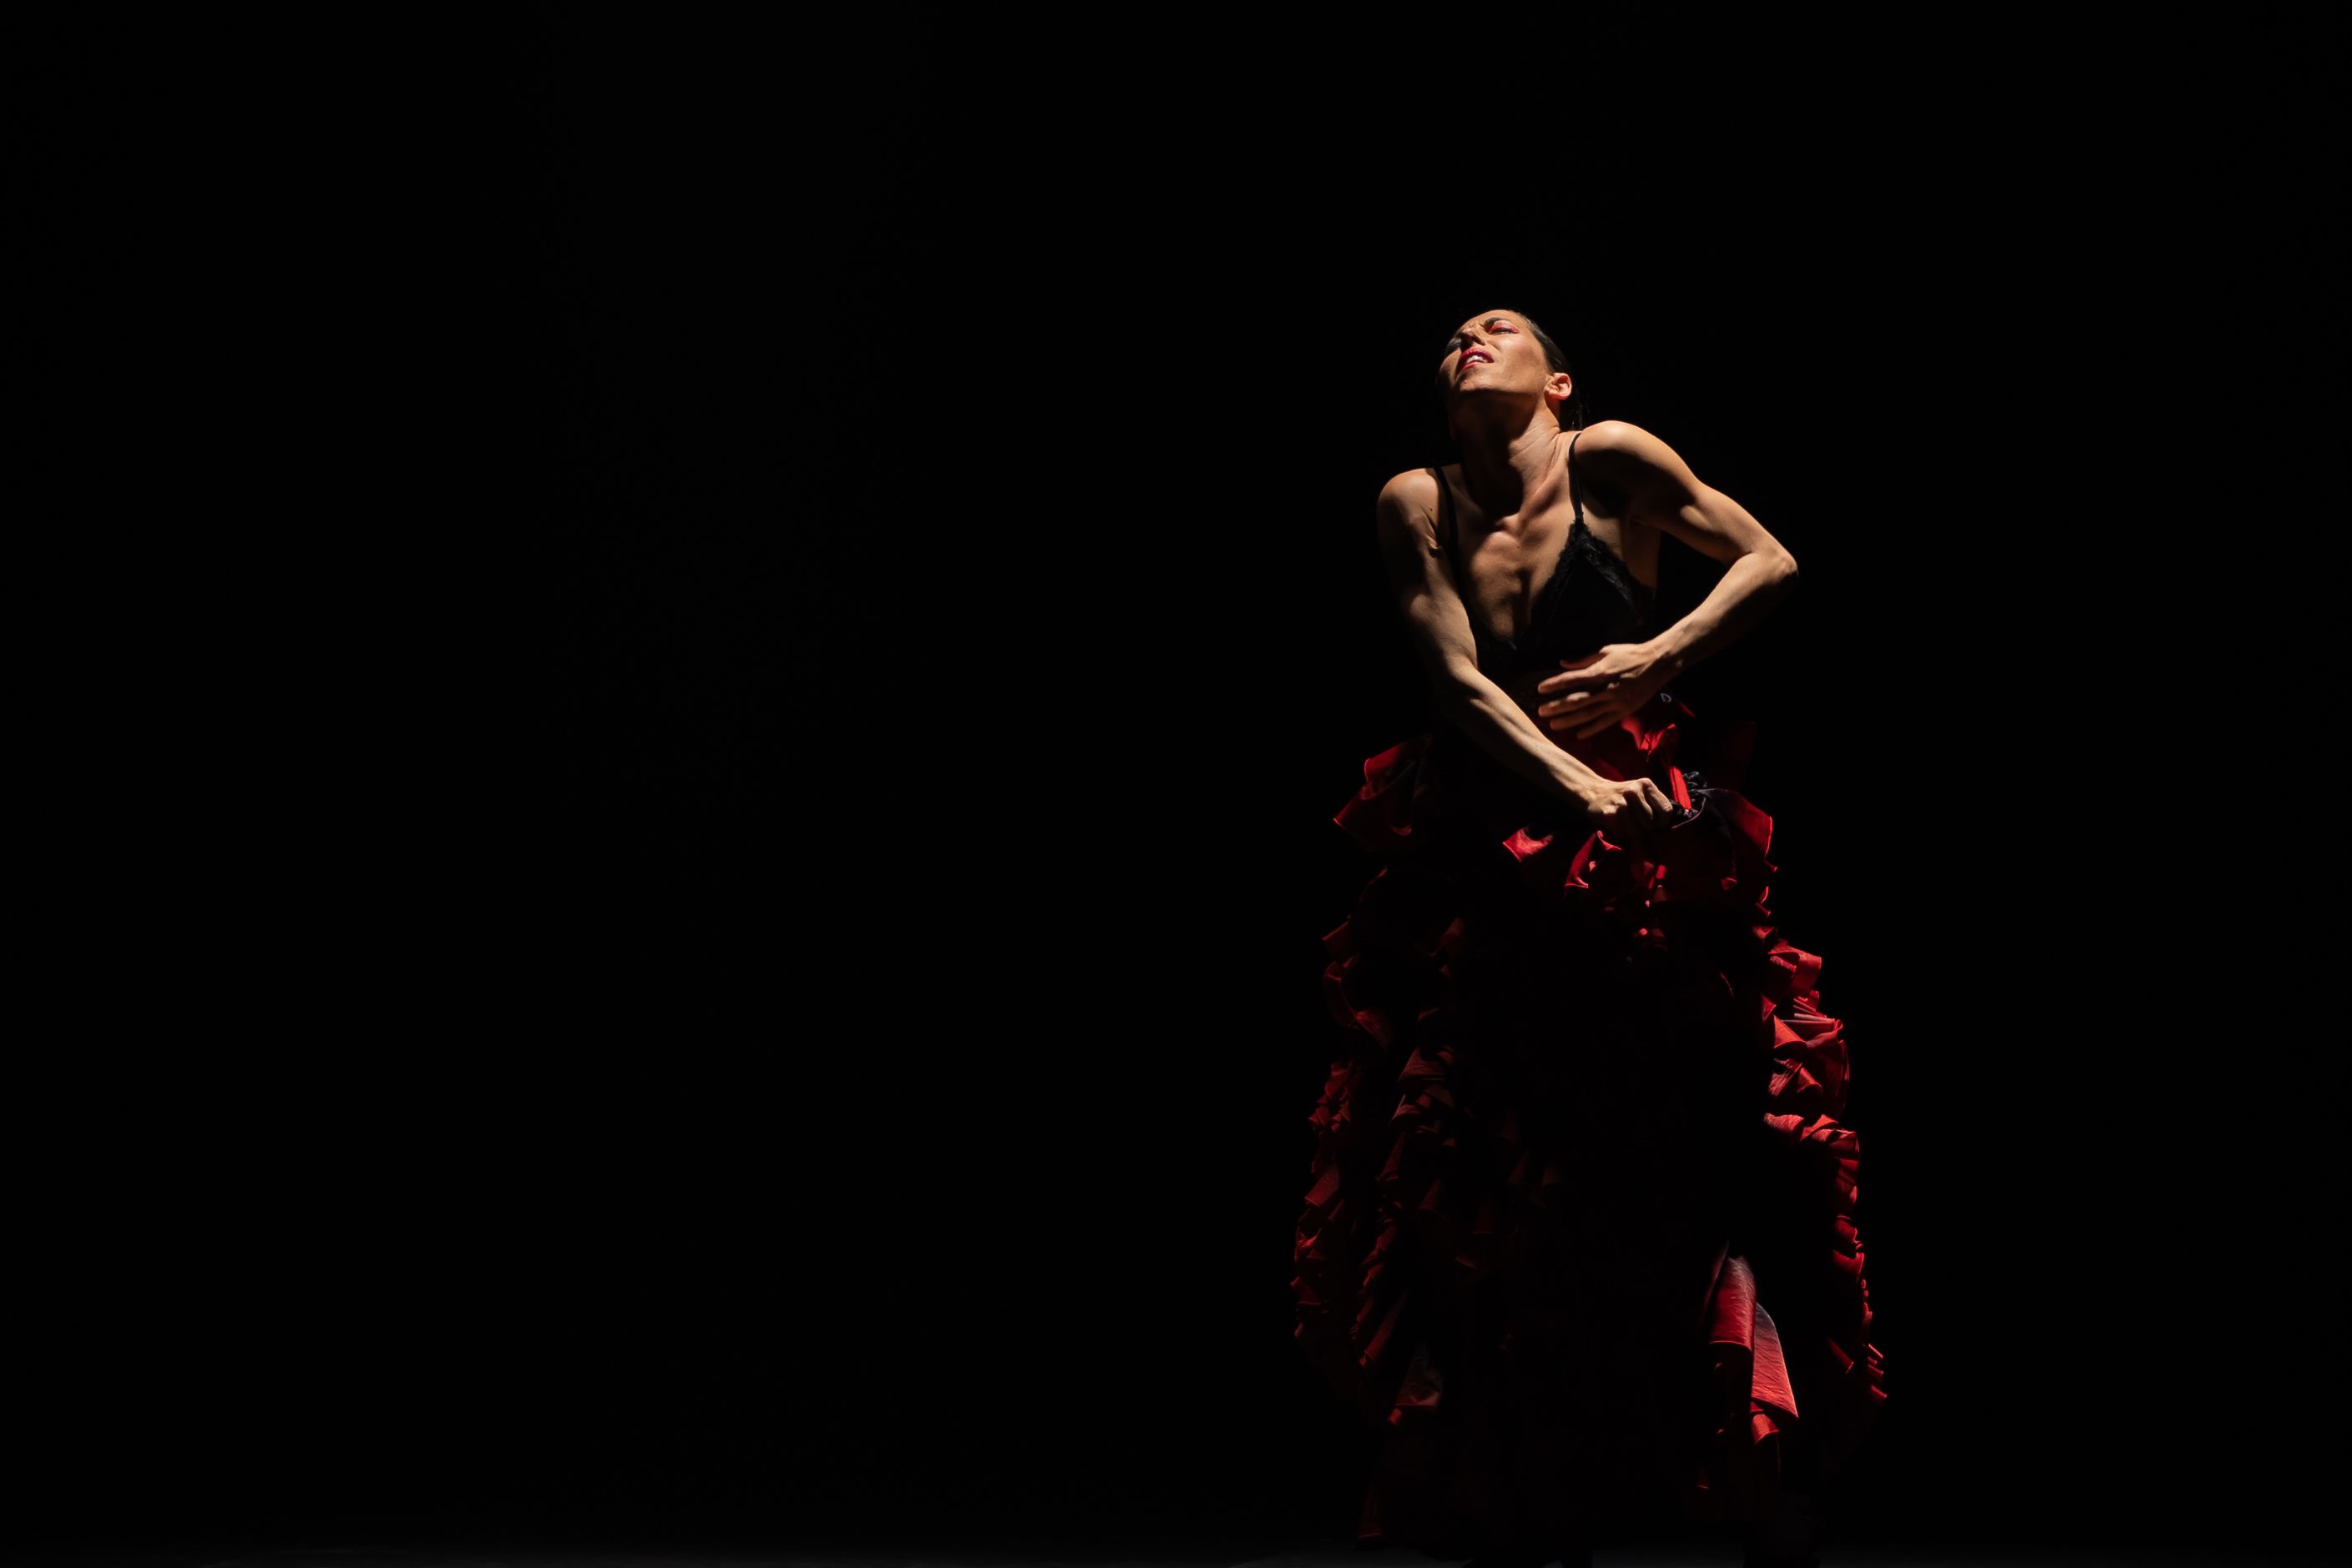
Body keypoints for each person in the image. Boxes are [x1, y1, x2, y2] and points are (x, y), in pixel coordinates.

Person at [1291, 309, 1886, 1568]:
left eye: (1501, 327)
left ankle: (1730, 1461)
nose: (1472, 336)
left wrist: (1653, 660)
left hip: (1642, 845)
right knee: (1494, 1159)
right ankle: (1519, 1489)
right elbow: (1453, 676)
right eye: (1456, 333)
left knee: (1683, 1123)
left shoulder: (1610, 457)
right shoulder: (1417, 498)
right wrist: (1576, 786)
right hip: (1496, 831)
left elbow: (1769, 560)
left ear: (1558, 381)